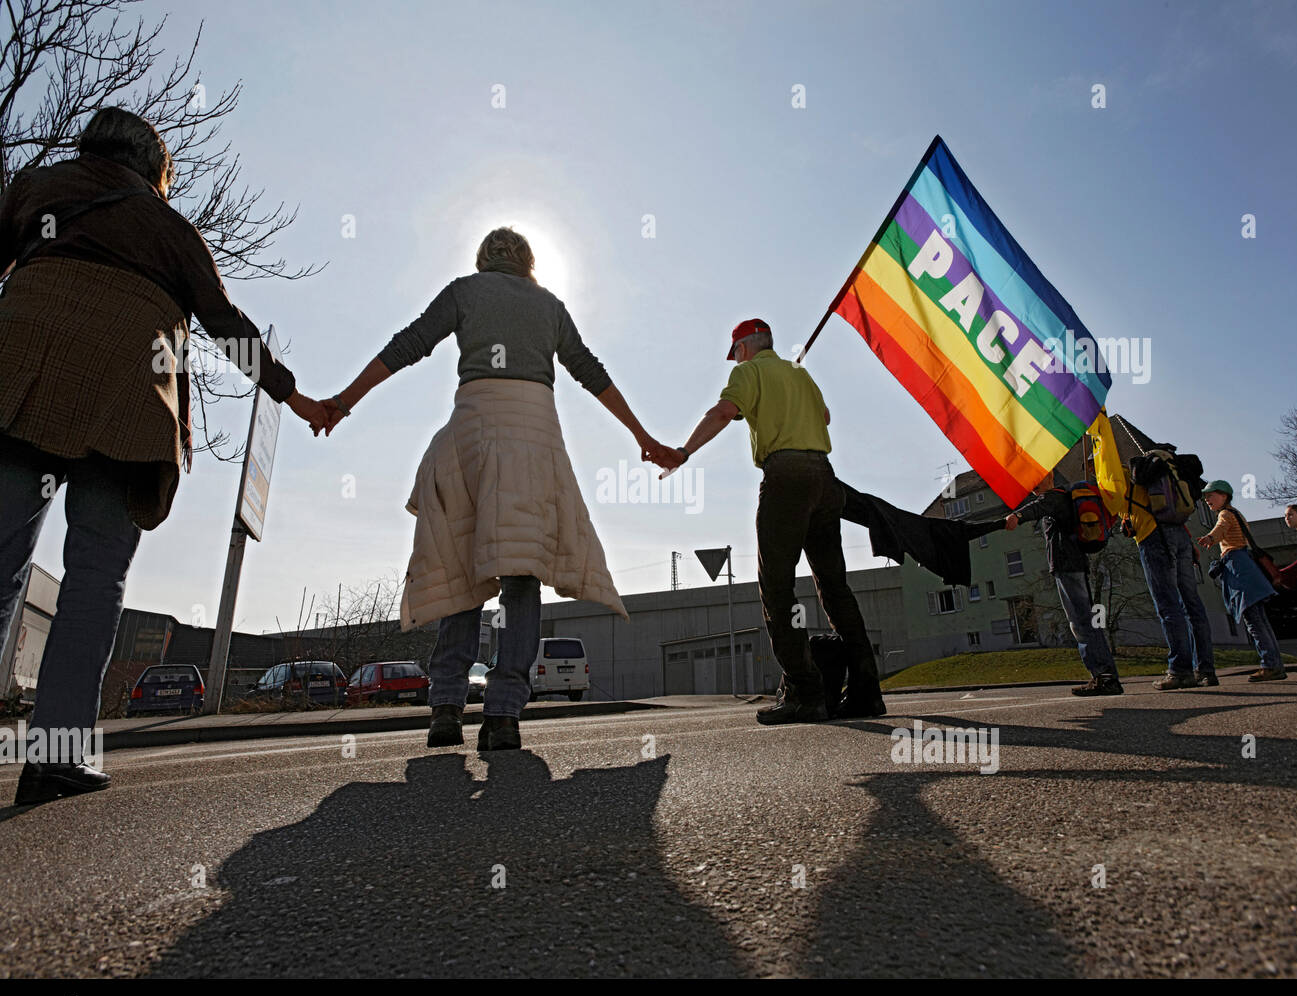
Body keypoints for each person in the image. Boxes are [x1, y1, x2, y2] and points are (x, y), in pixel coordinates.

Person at [0, 108, 327, 806]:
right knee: (93, 575)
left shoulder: (37, 188)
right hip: (123, 398)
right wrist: (293, 396)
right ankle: (55, 754)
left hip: (17, 377)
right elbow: (225, 323)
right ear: (155, 171)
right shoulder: (171, 228)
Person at [319, 227, 671, 751]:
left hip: (474, 434)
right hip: (534, 440)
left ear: (484, 260)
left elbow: (408, 344)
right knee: (522, 576)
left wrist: (343, 401)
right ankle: (504, 715)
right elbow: (589, 371)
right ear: (529, 263)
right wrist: (642, 436)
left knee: (463, 565)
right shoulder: (549, 305)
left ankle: (445, 707)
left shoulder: (464, 291)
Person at [661, 319, 883, 724]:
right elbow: (826, 417)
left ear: (743, 348)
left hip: (786, 479)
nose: (736, 358)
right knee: (835, 588)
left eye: (736, 352)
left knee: (778, 590)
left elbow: (724, 411)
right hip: (824, 477)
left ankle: (805, 693)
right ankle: (867, 690)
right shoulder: (800, 374)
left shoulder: (747, 372)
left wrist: (684, 451)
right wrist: (790, 390)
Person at [1007, 488, 1124, 697]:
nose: (1034, 487)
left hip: (1068, 566)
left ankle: (1104, 676)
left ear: (1050, 475)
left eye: (1038, 482)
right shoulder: (1062, 497)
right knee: (1087, 621)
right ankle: (1106, 675)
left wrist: (1018, 515)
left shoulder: (1055, 496)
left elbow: (1040, 506)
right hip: (1073, 564)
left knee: (1081, 622)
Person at [1121, 465, 1217, 689]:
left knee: (1168, 603)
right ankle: (1206, 670)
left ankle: (1180, 670)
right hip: (1180, 535)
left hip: (1155, 537)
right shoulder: (1162, 474)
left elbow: (1119, 501)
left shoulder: (1125, 477)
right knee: (1193, 604)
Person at [1197, 481, 1287, 681]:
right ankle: (1274, 664)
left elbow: (1221, 528)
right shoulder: (1236, 513)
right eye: (1206, 496)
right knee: (1260, 620)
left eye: (1211, 495)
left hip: (1239, 569)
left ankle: (1270, 665)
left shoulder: (1226, 514)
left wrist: (1210, 538)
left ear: (1224, 496)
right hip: (1245, 566)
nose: (1207, 499)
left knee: (1253, 621)